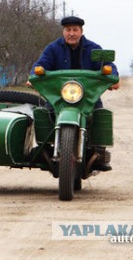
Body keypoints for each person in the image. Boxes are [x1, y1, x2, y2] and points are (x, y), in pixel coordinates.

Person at [27, 15, 119, 171]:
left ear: (81, 31)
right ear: (63, 31)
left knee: (99, 114)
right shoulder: (53, 48)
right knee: (46, 113)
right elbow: (40, 65)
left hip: (87, 98)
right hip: (59, 98)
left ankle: (99, 152)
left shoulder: (93, 49)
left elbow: (107, 66)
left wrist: (113, 78)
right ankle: (46, 148)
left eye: (75, 30)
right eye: (68, 30)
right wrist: (33, 77)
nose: (71, 33)